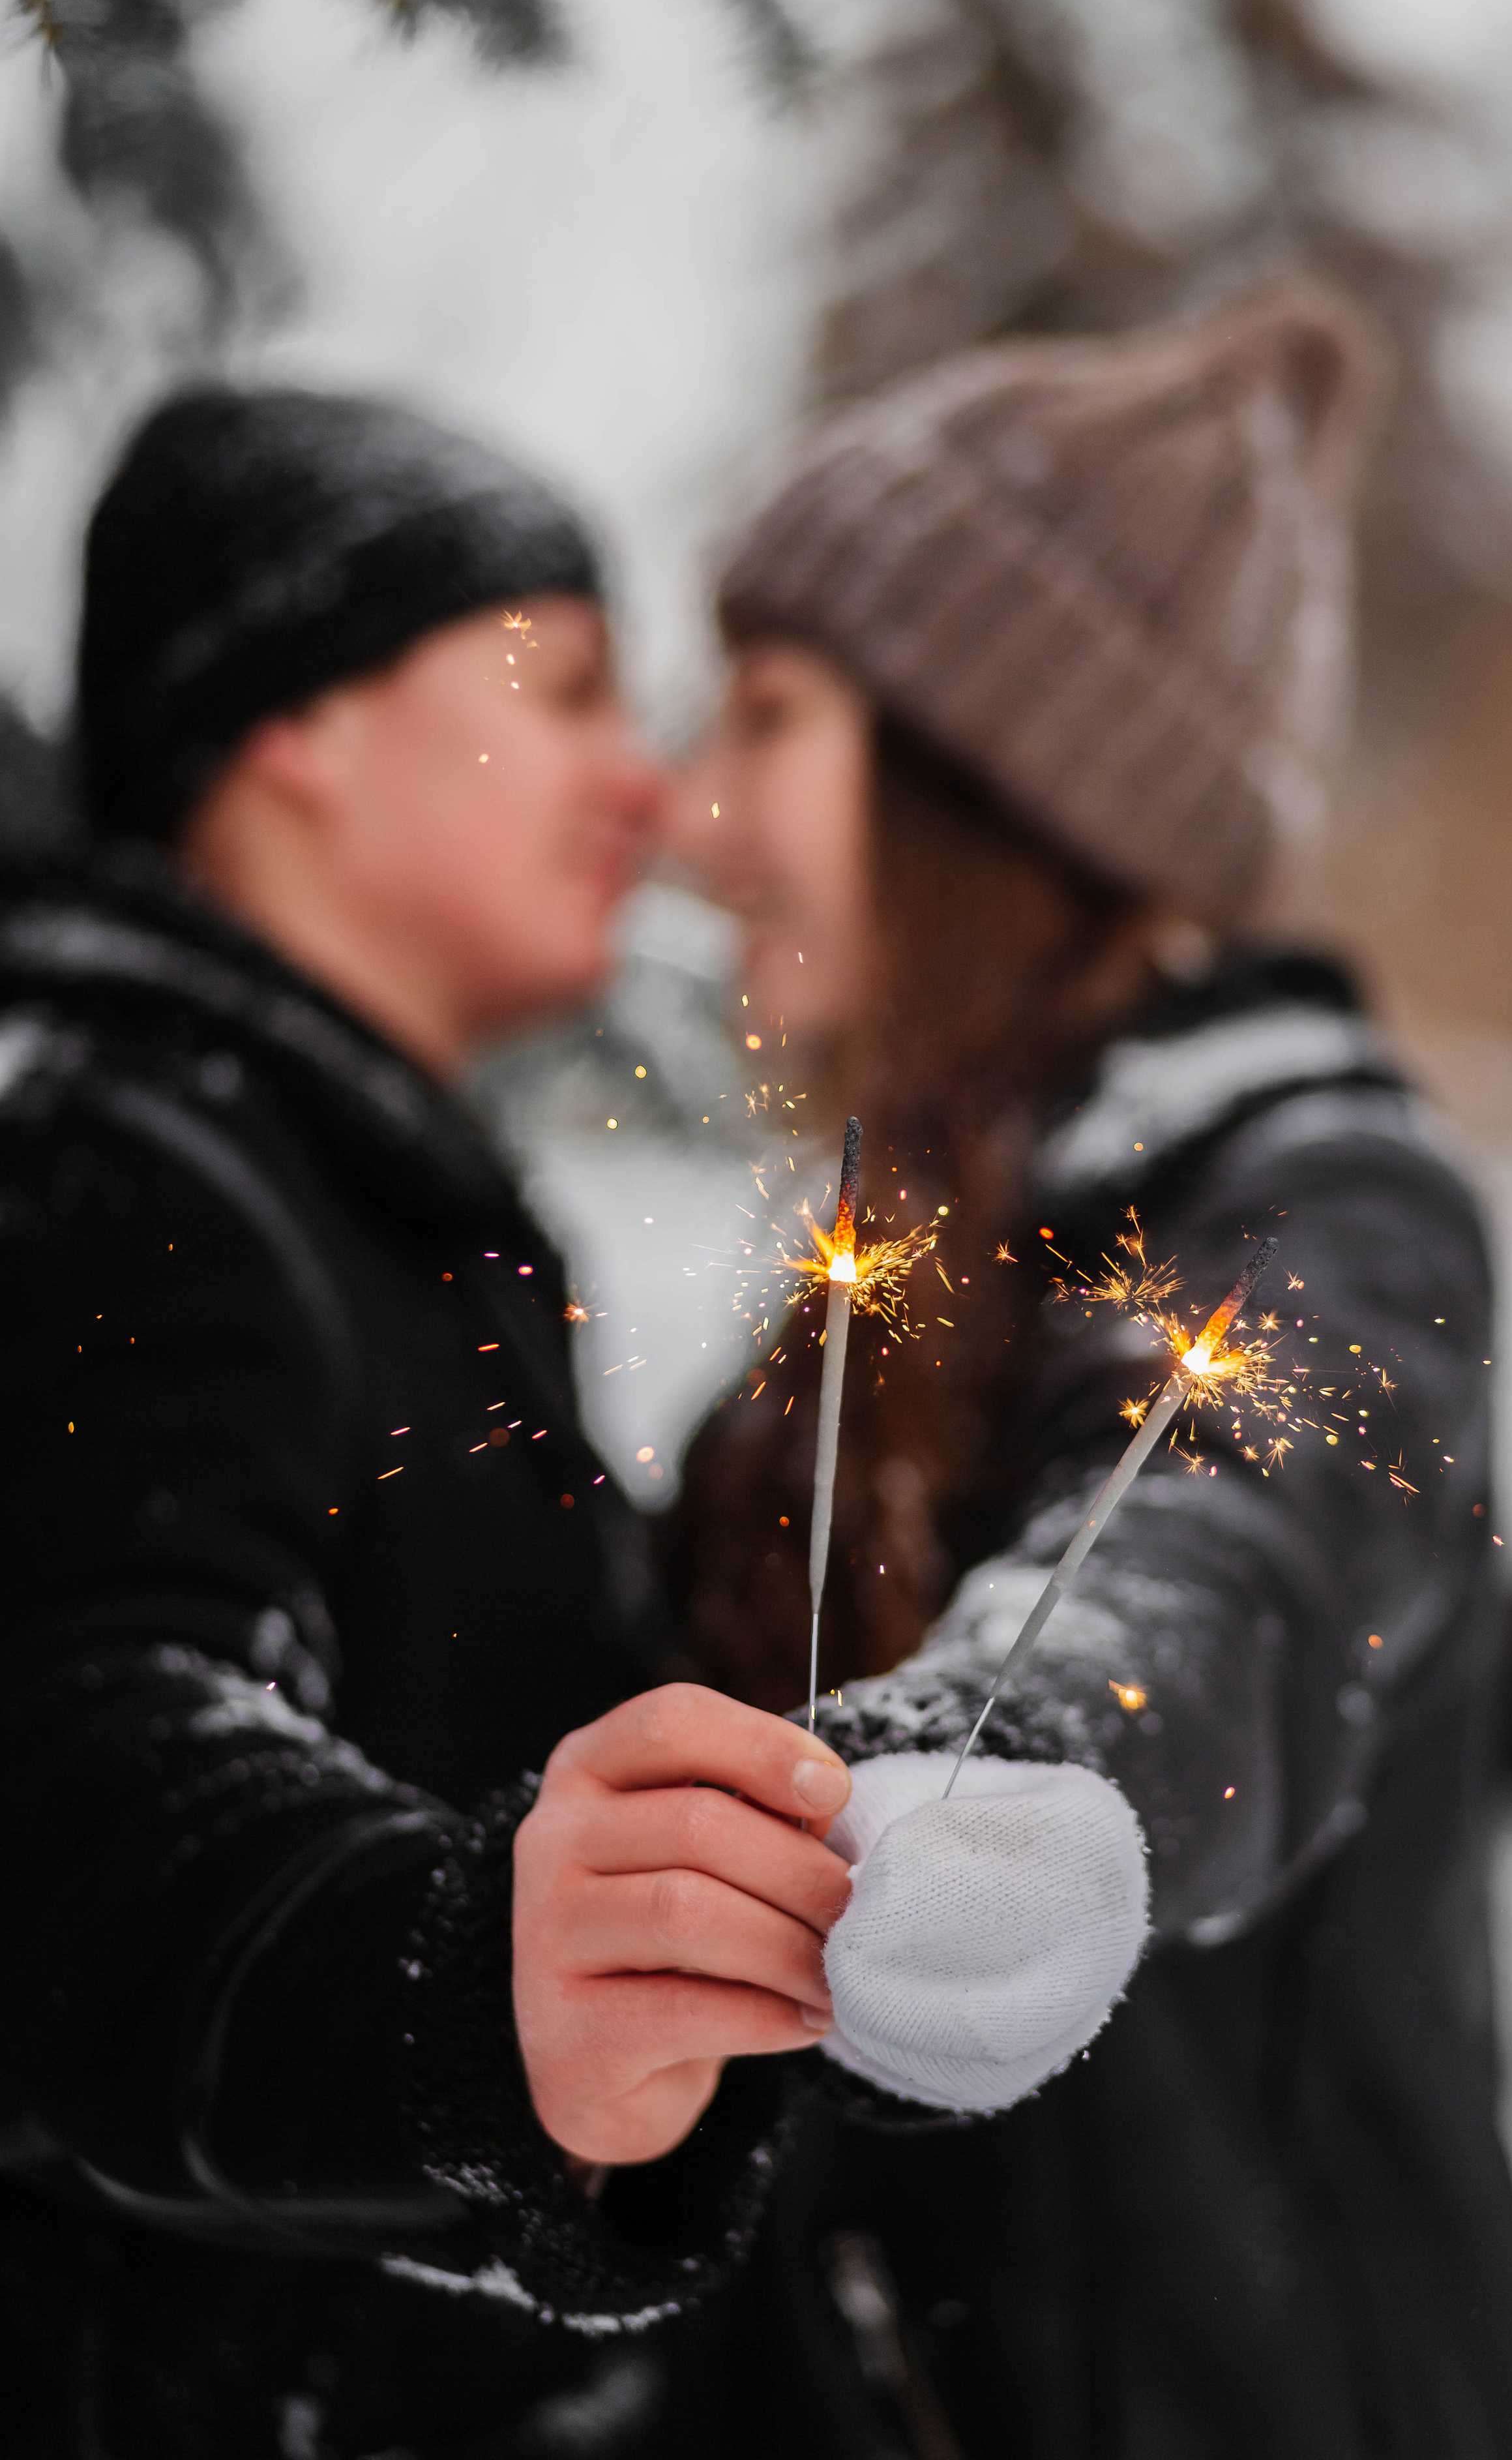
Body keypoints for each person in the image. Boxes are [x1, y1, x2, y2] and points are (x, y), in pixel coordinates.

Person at [668, 286, 1512, 2456]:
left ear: (985, 775)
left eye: (768, 717)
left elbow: (1224, 1557)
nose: (697, 819)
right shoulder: (912, 1259)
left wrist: (1024, 1755)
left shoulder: (1326, 1210)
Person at [0, 389, 866, 2458]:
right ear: (297, 722)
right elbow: (77, 1780)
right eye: (567, 689)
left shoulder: (356, 1195)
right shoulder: (116, 1178)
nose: (645, 785)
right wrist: (477, 1984)